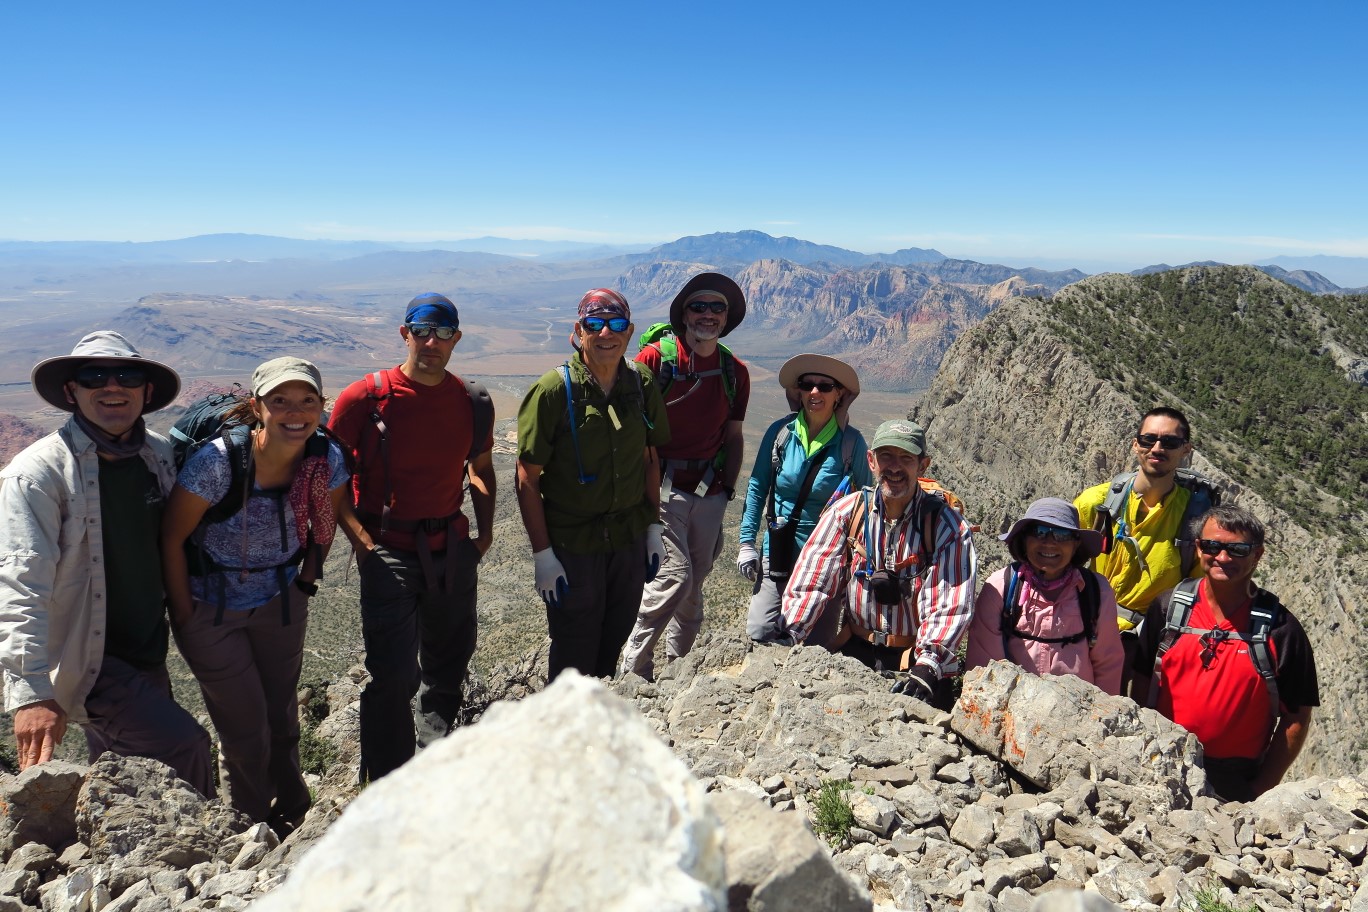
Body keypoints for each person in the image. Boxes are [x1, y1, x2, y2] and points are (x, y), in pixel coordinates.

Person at [0, 331, 212, 793]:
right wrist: (31, 693)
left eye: (127, 375)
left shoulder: (158, 456)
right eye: (94, 375)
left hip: (146, 649)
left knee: (122, 776)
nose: (112, 386)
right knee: (186, 746)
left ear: (147, 391)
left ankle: (121, 856)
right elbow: (21, 582)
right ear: (72, 391)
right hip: (87, 658)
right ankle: (212, 852)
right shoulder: (37, 474)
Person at [164, 357, 349, 832]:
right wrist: (185, 612)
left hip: (282, 600)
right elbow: (171, 538)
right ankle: (248, 827)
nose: (295, 411)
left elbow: (325, 524)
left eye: (307, 401)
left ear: (321, 406)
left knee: (283, 716)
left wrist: (307, 579)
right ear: (257, 406)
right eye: (280, 401)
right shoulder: (219, 463)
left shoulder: (323, 457)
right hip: (211, 608)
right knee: (246, 728)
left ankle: (295, 810)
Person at [329, 292, 496, 783]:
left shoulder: (472, 401)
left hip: (452, 548)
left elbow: (480, 469)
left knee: (448, 663)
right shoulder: (365, 398)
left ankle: (431, 768)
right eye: (421, 331)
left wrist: (483, 536)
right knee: (394, 674)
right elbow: (331, 480)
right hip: (389, 552)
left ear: (456, 340)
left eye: (443, 333)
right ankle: (384, 783)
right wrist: (362, 542)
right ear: (404, 334)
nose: (431, 342)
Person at [516, 288, 670, 681]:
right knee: (573, 649)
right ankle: (562, 736)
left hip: (627, 539)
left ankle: (596, 731)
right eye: (594, 324)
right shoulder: (553, 391)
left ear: (630, 330)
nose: (606, 333)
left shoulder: (641, 384)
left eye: (616, 324)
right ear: (579, 330)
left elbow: (651, 458)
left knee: (614, 636)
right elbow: (526, 477)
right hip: (574, 547)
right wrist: (543, 555)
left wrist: (653, 527)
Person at [782, 419, 977, 709]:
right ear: (871, 461)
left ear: (923, 466)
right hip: (855, 652)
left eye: (906, 458)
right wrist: (789, 633)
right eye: (886, 456)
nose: (894, 467)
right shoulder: (848, 513)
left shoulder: (947, 528)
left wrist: (928, 666)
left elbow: (948, 604)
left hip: (918, 665)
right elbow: (812, 580)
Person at [1132, 505, 1318, 802]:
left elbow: (1296, 718)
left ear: (1257, 555)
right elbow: (1141, 678)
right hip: (1160, 761)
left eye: (1238, 549)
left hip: (1234, 779)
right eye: (1212, 545)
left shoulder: (1281, 631)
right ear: (1198, 548)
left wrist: (1260, 790)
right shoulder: (1168, 610)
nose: (1222, 557)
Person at [619, 273, 751, 679]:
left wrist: (726, 489)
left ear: (727, 317)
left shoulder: (734, 371)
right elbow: (628, 429)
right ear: (683, 313)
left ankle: (681, 670)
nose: (708, 315)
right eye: (699, 306)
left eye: (717, 308)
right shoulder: (656, 361)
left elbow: (733, 435)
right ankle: (632, 669)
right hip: (661, 488)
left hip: (709, 491)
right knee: (673, 578)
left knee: (694, 587)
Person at [740, 353, 871, 645]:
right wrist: (746, 543)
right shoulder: (780, 434)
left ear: (838, 395)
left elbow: (868, 505)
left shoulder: (851, 444)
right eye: (807, 384)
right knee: (761, 631)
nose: (815, 392)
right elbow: (757, 485)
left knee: (816, 648)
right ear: (798, 392)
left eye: (825, 386)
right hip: (779, 548)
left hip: (827, 559)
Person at [1075, 407, 1207, 694]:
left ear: (1186, 449)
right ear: (1136, 444)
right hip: (1084, 631)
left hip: (1150, 647)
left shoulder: (1196, 519)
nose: (1157, 448)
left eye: (1170, 442)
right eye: (1149, 440)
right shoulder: (1096, 503)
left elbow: (1200, 593)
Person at [965, 498, 1124, 695]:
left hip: (1079, 715)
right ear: (1024, 540)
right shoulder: (999, 588)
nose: (1049, 542)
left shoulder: (1097, 592)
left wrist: (1103, 716)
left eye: (1062, 534)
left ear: (1076, 544)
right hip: (1012, 711)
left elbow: (1108, 664)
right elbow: (984, 667)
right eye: (1039, 532)